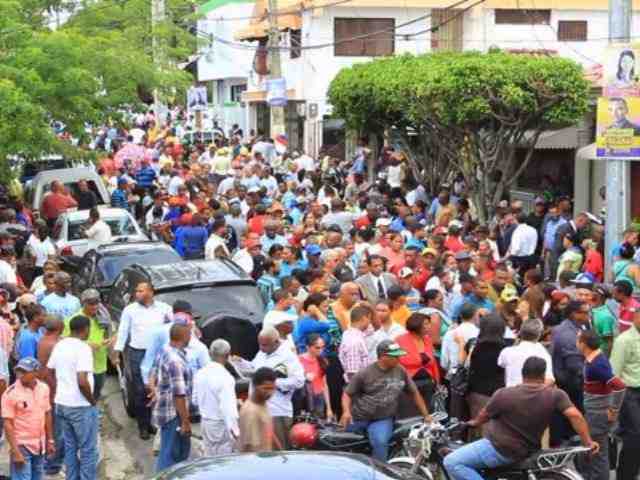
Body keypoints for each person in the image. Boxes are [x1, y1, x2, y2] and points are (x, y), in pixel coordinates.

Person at [443, 357, 598, 480]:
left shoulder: (504, 394)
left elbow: (482, 417)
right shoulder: (555, 395)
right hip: (528, 449)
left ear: (522, 373)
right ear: (543, 375)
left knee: (452, 461)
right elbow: (575, 415)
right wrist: (588, 442)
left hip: (499, 449)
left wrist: (471, 423)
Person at [340, 340, 431, 461]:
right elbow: (347, 394)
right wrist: (346, 412)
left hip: (382, 418)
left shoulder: (401, 370)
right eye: (395, 356)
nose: (399, 359)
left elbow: (414, 393)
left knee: (380, 442)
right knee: (343, 443)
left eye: (399, 355)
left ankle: (380, 472)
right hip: (359, 417)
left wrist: (426, 415)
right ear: (383, 357)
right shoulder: (365, 373)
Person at [113, 282, 172, 439]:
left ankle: (153, 422)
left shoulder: (164, 309)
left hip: (159, 353)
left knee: (158, 388)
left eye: (141, 291)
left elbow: (172, 328)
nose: (137, 294)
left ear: (151, 292)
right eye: (136, 291)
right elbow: (123, 331)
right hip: (138, 353)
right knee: (140, 390)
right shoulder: (130, 310)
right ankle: (143, 425)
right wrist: (117, 352)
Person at [47, 315, 98, 480]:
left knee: (70, 447)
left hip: (61, 404)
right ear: (86, 329)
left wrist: (60, 389)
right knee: (88, 450)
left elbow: (49, 371)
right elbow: (82, 381)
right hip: (80, 405)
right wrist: (92, 401)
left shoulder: (60, 345)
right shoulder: (83, 348)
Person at [576, 330, 626, 480]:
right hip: (594, 413)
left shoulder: (596, 365)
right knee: (594, 451)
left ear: (583, 344)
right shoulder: (595, 358)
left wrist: (614, 409)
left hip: (597, 415)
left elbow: (620, 386)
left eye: (577, 340)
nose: (576, 343)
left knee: (598, 454)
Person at [251, 327, 304, 450]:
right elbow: (254, 368)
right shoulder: (261, 353)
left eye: (265, 345)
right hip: (259, 410)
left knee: (279, 451)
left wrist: (273, 383)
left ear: (275, 342)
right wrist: (241, 363)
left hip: (278, 411)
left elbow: (299, 381)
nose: (261, 348)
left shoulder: (288, 356)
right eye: (260, 344)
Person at [151, 321, 193, 472]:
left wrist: (154, 390)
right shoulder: (175, 361)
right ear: (184, 336)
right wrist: (185, 421)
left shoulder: (165, 350)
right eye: (190, 333)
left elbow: (153, 373)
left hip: (166, 410)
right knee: (169, 457)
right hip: (173, 414)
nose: (191, 337)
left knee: (177, 453)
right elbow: (179, 395)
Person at [2, 357, 54, 480]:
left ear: (36, 372)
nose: (21, 375)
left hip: (39, 445)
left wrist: (50, 440)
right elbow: (7, 424)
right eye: (19, 371)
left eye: (25, 371)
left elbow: (47, 413)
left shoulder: (44, 389)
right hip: (22, 445)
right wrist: (15, 451)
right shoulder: (10, 394)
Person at [458, 313, 507, 431]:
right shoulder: (506, 348)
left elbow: (462, 364)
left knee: (478, 428)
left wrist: (460, 344)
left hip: (476, 393)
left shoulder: (473, 344)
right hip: (499, 394)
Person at [551, 300, 590, 445]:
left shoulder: (580, 325)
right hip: (569, 381)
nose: (588, 315)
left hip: (572, 380)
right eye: (584, 312)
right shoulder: (568, 334)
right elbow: (574, 365)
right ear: (574, 314)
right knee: (566, 413)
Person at [65, 289, 112, 400]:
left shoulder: (103, 317)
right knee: (84, 393)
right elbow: (66, 341)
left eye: (97, 302)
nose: (95, 306)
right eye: (91, 303)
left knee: (96, 392)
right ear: (83, 303)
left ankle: (94, 411)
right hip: (82, 366)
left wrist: (110, 343)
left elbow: (110, 334)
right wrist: (87, 345)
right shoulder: (74, 320)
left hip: (100, 363)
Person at [610, 308, 640, 479]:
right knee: (635, 435)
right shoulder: (624, 340)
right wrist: (613, 407)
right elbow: (614, 374)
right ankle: (625, 475)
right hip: (630, 394)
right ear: (636, 317)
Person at [37, 316, 64, 477]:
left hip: (48, 389)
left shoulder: (43, 340)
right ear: (59, 328)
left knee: (52, 427)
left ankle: (51, 461)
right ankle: (52, 464)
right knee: (56, 429)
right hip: (53, 391)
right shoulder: (53, 344)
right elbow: (47, 373)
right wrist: (56, 389)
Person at [498, 318, 554, 387]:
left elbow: (500, 363)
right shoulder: (544, 354)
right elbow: (549, 380)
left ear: (520, 332)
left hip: (510, 394)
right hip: (534, 394)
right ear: (539, 334)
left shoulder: (507, 352)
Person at [238, 367, 278, 453]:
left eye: (272, 388)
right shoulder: (251, 412)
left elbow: (268, 431)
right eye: (266, 388)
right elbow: (252, 448)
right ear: (255, 386)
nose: (269, 393)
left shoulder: (262, 402)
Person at [298, 334, 333, 419]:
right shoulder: (298, 360)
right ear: (308, 347)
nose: (321, 350)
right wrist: (304, 376)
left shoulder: (322, 361)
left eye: (322, 347)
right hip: (304, 399)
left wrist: (329, 408)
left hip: (319, 398)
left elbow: (324, 385)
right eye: (317, 347)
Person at [339, 305, 372, 383]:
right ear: (364, 319)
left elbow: (372, 329)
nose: (370, 322)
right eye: (369, 319)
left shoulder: (348, 333)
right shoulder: (354, 341)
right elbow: (353, 373)